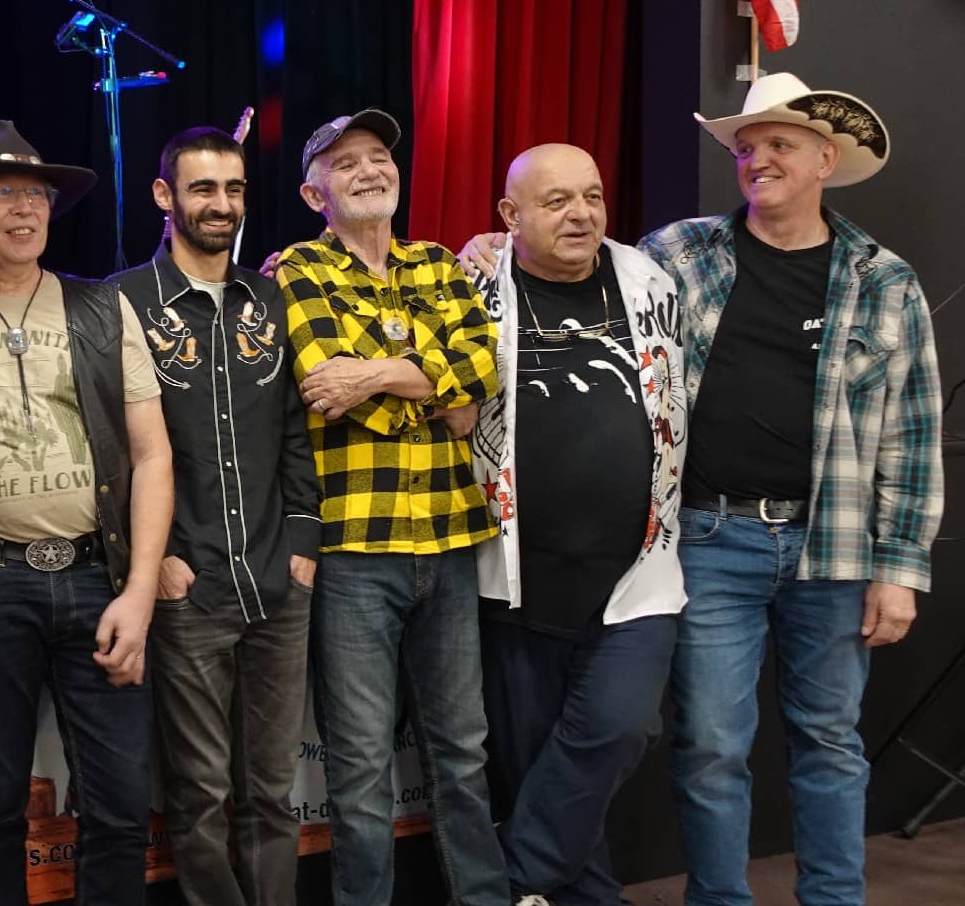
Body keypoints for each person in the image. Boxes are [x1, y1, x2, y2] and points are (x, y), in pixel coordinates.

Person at [457, 74, 940, 906]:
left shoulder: (884, 280)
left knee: (828, 740)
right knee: (710, 743)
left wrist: (902, 566)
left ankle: (834, 899)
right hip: (711, 539)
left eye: (778, 146)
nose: (757, 161)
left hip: (834, 544)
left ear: (826, 159)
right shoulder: (678, 255)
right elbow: (569, 259)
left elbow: (914, 433)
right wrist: (487, 247)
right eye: (746, 149)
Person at [0, 119, 173, 905]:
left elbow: (153, 454)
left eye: (36, 193)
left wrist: (140, 591)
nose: (24, 209)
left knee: (121, 805)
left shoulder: (99, 309)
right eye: (0, 192)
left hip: (99, 574)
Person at [275, 109, 507, 906]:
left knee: (464, 753)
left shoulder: (439, 264)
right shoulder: (299, 269)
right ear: (315, 193)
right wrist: (431, 384)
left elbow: (485, 370)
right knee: (362, 763)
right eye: (347, 164)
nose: (370, 170)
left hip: (447, 538)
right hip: (354, 552)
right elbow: (319, 379)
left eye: (379, 157)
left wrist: (372, 373)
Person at [468, 143, 687, 906]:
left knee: (622, 729)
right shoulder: (472, 282)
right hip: (514, 583)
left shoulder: (648, 279)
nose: (580, 213)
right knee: (538, 768)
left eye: (591, 196)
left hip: (637, 574)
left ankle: (507, 884)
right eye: (557, 200)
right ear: (509, 216)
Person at [110, 126, 319, 906]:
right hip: (185, 583)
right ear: (165, 196)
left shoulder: (272, 297)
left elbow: (297, 426)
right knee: (198, 798)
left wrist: (303, 542)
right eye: (202, 189)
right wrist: (147, 556)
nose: (221, 205)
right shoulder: (123, 301)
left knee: (272, 790)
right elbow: (109, 448)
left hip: (277, 581)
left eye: (233, 189)